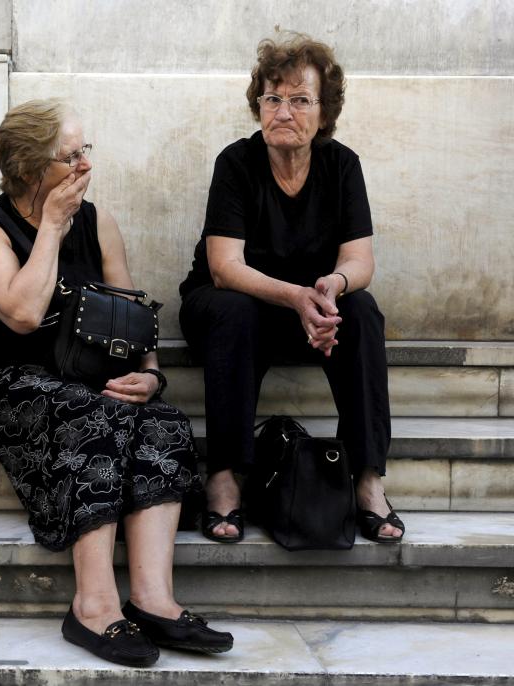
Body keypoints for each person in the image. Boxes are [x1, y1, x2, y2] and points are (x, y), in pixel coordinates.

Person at [0, 99, 233, 667]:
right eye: (70, 155)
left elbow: (130, 314)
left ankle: (153, 599)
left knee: (163, 422)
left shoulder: (98, 219)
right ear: (33, 170)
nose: (85, 164)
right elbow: (23, 313)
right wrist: (52, 226)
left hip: (83, 375)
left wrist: (150, 374)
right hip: (1, 380)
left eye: (86, 151)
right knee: (92, 417)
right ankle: (93, 606)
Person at [178, 34, 404, 545]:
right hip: (228, 312)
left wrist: (332, 287)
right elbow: (224, 267)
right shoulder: (236, 163)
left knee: (363, 310)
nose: (284, 110)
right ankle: (224, 480)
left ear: (324, 113)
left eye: (300, 99)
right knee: (234, 309)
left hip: (304, 310)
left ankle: (367, 480)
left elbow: (360, 260)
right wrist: (297, 297)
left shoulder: (342, 165)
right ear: (258, 105)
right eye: (273, 98)